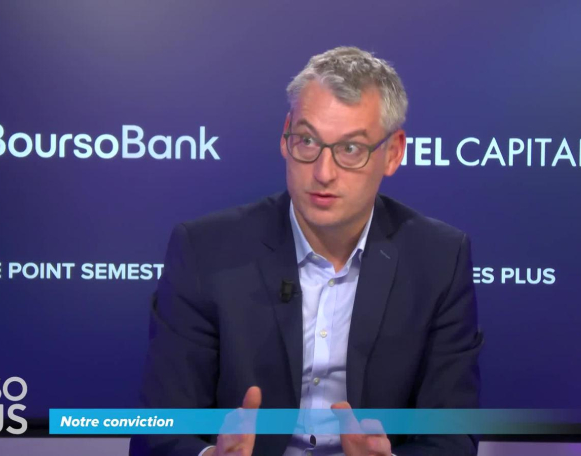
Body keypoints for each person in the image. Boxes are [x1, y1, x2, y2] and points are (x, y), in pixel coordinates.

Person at [129, 46, 483, 456]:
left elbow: (452, 437)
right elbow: (159, 431)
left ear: (393, 152)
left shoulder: (438, 259)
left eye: (351, 149)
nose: (323, 172)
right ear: (286, 136)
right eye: (308, 141)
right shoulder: (205, 251)